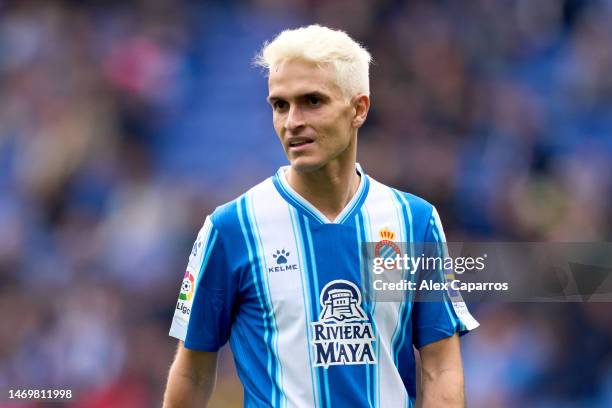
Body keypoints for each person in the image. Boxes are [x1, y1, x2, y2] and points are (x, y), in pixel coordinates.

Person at [163, 24, 478, 408]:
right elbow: (193, 371)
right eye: (280, 105)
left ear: (358, 108)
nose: (292, 121)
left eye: (312, 101)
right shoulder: (232, 228)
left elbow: (440, 366)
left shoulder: (414, 222)